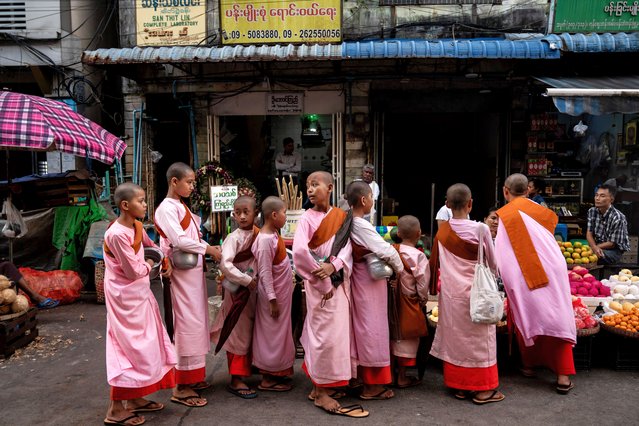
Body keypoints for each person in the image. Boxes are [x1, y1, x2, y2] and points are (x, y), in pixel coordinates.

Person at [292, 171, 369, 418]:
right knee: (322, 337)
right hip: (319, 287)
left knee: (336, 337)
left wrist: (333, 266)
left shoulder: (341, 217)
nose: (311, 190)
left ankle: (325, 386)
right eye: (307, 186)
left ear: (330, 187)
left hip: (338, 282)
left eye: (315, 185)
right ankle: (320, 390)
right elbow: (301, 252)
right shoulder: (306, 218)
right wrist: (322, 278)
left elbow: (346, 247)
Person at [495, 173, 576, 395]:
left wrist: (510, 280)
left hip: (526, 271)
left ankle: (529, 365)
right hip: (553, 267)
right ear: (528, 190)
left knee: (526, 313)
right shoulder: (544, 212)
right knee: (556, 316)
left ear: (505, 191)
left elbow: (503, 255)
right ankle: (562, 376)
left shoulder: (505, 215)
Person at [102, 182, 176, 426]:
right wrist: (150, 264)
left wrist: (162, 260)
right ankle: (115, 409)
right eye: (141, 201)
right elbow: (134, 270)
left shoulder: (135, 226)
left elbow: (150, 247)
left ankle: (133, 399)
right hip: (124, 298)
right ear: (125, 205)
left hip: (139, 295)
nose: (145, 205)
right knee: (125, 348)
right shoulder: (115, 234)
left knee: (145, 345)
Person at [428, 183, 504, 405]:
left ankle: (459, 386)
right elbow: (492, 262)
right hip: (477, 294)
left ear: (447, 205)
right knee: (480, 340)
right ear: (470, 204)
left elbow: (438, 263)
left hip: (451, 295)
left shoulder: (443, 231)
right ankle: (481, 390)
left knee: (456, 338)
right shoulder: (480, 229)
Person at [154, 162, 221, 408]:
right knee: (184, 323)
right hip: (179, 274)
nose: (193, 187)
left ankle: (193, 377)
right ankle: (181, 385)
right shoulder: (166, 208)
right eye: (189, 182)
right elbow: (179, 240)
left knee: (196, 320)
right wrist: (209, 249)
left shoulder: (181, 206)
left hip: (191, 274)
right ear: (174, 182)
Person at [347, 180, 403, 401]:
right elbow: (386, 251)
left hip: (360, 280)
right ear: (363, 200)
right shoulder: (360, 224)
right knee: (372, 329)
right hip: (368, 282)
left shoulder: (348, 221)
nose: (372, 201)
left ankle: (360, 377)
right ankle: (371, 386)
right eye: (371, 197)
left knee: (363, 328)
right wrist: (401, 270)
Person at [211, 195, 259, 399]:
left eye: (246, 212)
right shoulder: (234, 237)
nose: (241, 216)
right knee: (237, 331)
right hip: (238, 291)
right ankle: (236, 378)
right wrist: (246, 280)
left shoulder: (259, 234)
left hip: (254, 291)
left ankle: (248, 368)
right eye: (237, 212)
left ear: (255, 213)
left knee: (251, 329)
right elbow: (225, 264)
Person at [251, 196, 295, 392]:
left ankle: (277, 372)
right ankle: (268, 378)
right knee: (271, 336)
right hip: (273, 298)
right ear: (274, 215)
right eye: (285, 212)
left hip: (280, 294)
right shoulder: (265, 240)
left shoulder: (273, 234)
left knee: (279, 334)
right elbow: (266, 273)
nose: (286, 216)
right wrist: (272, 300)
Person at [390, 215, 430, 389]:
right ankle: (403, 377)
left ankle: (391, 373)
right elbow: (422, 283)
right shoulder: (419, 257)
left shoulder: (392, 250)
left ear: (398, 233)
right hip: (410, 300)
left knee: (392, 334)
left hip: (391, 300)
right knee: (408, 336)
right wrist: (422, 299)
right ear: (419, 233)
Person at [586, 183, 630, 265]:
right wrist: (594, 247)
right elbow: (589, 234)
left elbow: (612, 244)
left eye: (602, 196)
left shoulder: (618, 217)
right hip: (596, 246)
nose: (597, 198)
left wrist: (594, 248)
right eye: (596, 195)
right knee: (579, 253)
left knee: (589, 256)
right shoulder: (592, 211)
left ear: (611, 199)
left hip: (614, 251)